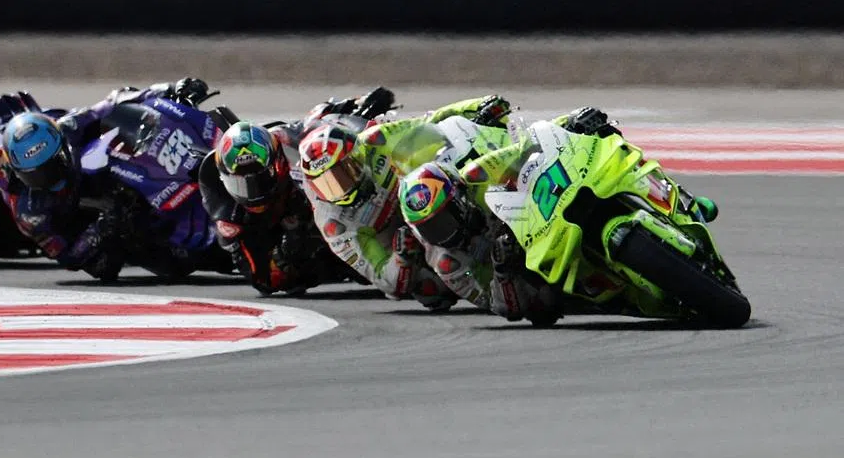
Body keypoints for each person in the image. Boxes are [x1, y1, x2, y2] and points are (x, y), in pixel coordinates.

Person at [400, 105, 722, 323]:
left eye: (443, 220)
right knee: (553, 304)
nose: (443, 233)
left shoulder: (476, 181)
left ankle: (684, 204)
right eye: (430, 228)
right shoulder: (447, 263)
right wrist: (501, 270)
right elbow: (498, 306)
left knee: (609, 147)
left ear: (456, 199)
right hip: (545, 282)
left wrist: (571, 125)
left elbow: (524, 147)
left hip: (547, 213)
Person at [297, 94, 517, 310]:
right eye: (326, 183)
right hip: (407, 236)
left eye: (344, 173)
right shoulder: (334, 223)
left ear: (357, 156)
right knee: (432, 286)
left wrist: (477, 107)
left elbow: (429, 122)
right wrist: (402, 257)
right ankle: (502, 290)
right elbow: (383, 278)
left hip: (424, 194)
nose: (339, 188)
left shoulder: (375, 140)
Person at [0, 78, 215, 281]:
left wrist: (169, 89)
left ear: (61, 146)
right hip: (100, 233)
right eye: (37, 174)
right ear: (20, 173)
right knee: (111, 266)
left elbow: (113, 102)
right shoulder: (29, 212)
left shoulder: (68, 127)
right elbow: (67, 257)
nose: (49, 177)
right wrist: (102, 228)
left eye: (54, 164)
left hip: (111, 180)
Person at [197, 87, 396, 295]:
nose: (253, 191)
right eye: (241, 184)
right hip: (313, 249)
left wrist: (357, 106)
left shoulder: (282, 140)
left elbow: (314, 120)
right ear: (225, 180)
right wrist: (289, 251)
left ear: (278, 163)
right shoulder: (230, 216)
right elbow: (263, 280)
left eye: (261, 178)